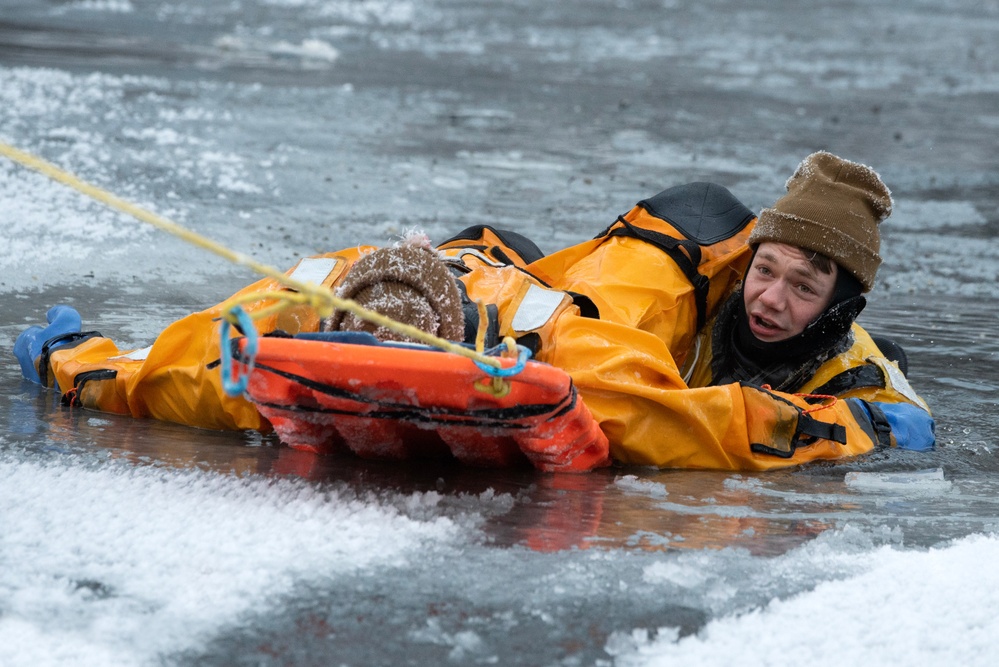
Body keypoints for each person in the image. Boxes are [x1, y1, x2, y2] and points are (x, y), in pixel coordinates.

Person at [15, 151, 933, 470]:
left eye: (802, 288)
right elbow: (621, 396)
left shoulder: (855, 365)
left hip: (518, 307)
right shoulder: (679, 261)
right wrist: (94, 378)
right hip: (483, 289)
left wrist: (873, 431)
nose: (771, 299)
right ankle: (93, 362)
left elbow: (902, 421)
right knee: (292, 313)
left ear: (839, 302)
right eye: (767, 271)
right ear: (748, 258)